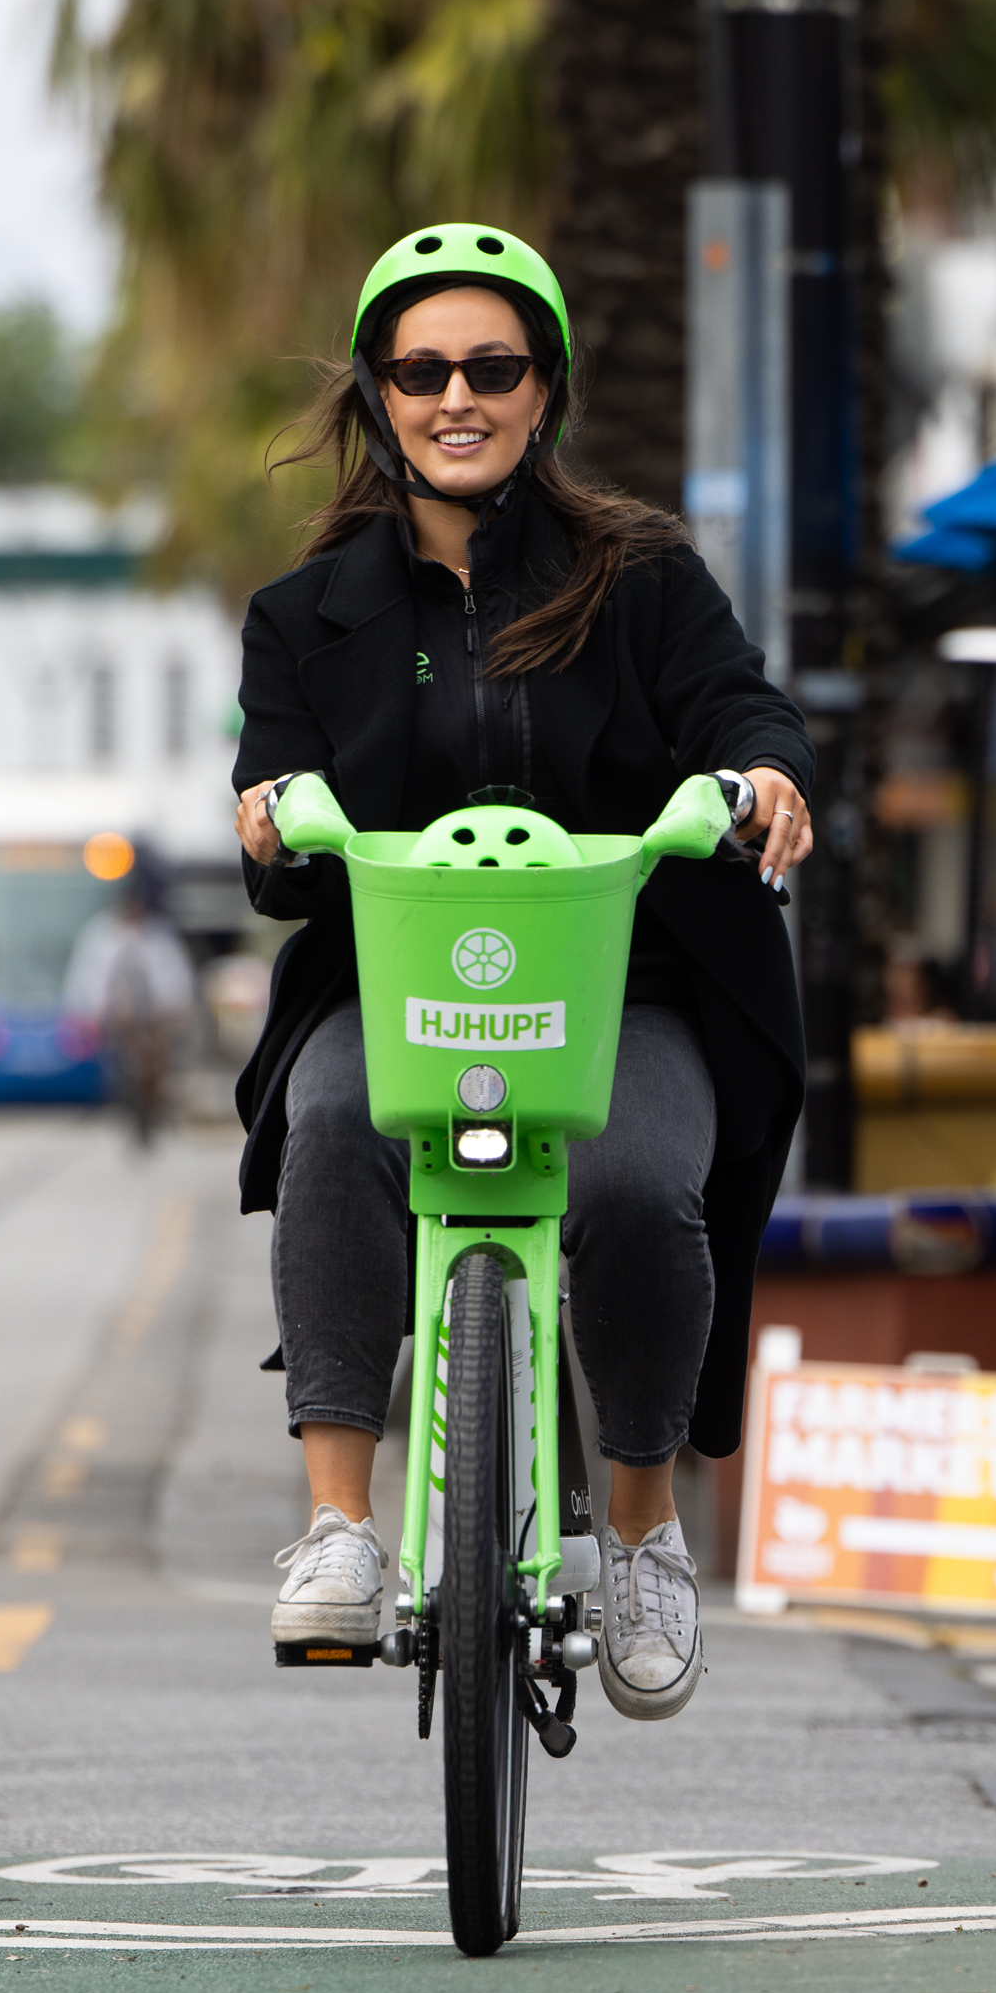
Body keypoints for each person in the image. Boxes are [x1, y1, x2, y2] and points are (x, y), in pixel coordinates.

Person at [231, 223, 812, 1720]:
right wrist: (268, 818)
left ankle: (637, 1535)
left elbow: (741, 707)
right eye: (421, 371)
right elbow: (280, 811)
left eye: (492, 366)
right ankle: (342, 1529)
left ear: (544, 390)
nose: (457, 396)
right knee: (336, 1123)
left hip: (640, 986)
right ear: (377, 394)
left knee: (629, 1187)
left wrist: (760, 776)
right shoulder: (305, 616)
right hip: (403, 989)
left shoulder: (645, 576)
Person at [60, 868, 196, 1145]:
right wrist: (87, 1011)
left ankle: (153, 1112)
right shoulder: (100, 934)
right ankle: (123, 1107)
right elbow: (87, 975)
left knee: (154, 1064)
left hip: (152, 1019)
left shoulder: (157, 935)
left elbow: (173, 975)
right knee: (119, 1068)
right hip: (115, 1019)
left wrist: (173, 1008)